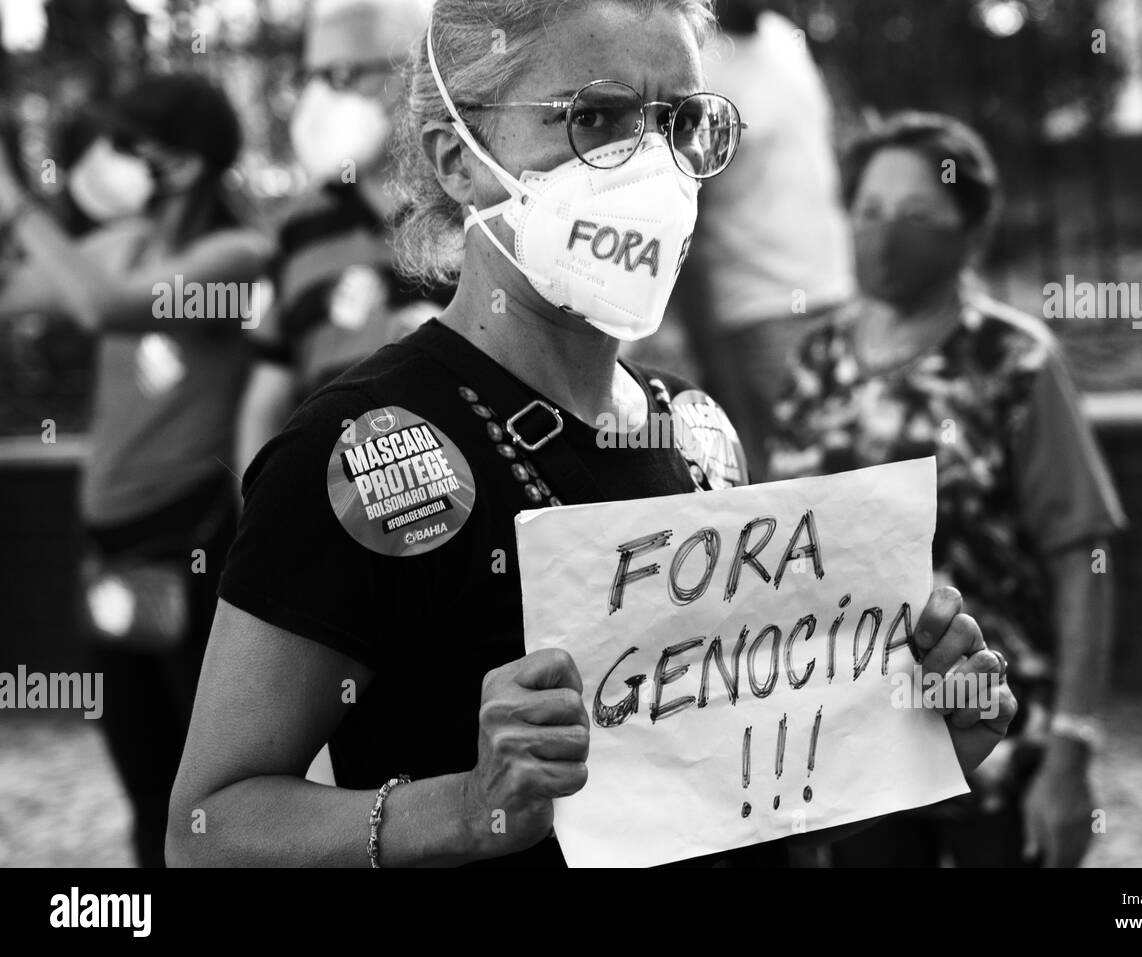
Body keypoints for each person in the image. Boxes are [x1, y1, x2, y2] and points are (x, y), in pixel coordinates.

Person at [166, 0, 1015, 869]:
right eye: (595, 117)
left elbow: (723, 804)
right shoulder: (358, 455)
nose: (648, 165)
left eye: (680, 121)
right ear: (458, 160)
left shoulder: (700, 434)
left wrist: (913, 736)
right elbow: (207, 827)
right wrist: (461, 809)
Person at [769, 112, 1127, 867]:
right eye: (868, 212)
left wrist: (1072, 747)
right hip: (856, 746)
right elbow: (784, 558)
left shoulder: (1014, 363)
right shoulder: (816, 361)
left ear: (971, 231)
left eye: (916, 216)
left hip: (997, 738)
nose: (884, 233)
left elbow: (1081, 559)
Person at [0, 74, 272, 867]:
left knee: (205, 790)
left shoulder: (239, 256)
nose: (104, 162)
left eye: (125, 145)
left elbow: (104, 307)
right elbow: (23, 291)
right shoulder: (123, 245)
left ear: (180, 162)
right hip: (107, 546)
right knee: (142, 779)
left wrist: (19, 205)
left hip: (188, 540)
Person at [236, 0, 449, 477]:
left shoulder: (470, 207)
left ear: (416, 75)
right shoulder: (297, 227)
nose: (324, 97)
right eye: (315, 76)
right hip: (331, 513)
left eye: (347, 72)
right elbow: (266, 400)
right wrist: (261, 522)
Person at [670, 0, 856, 480]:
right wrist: (714, 362)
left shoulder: (784, 38)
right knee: (803, 491)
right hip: (759, 317)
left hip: (836, 294)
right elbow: (687, 220)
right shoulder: (700, 66)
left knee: (853, 474)